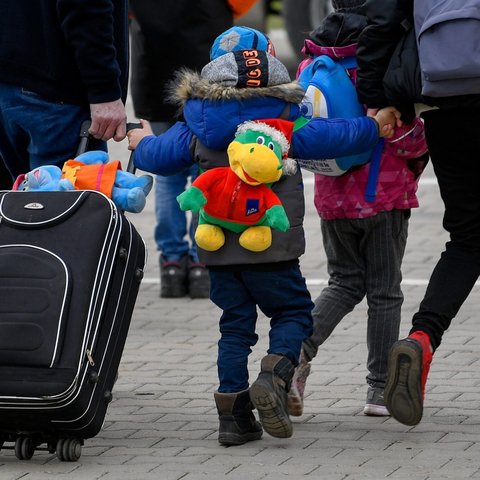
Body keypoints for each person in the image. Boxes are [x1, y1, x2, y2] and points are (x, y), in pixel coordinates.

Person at [127, 26, 398, 446]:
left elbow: (157, 158)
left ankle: (233, 420)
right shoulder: (286, 120)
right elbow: (337, 135)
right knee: (293, 314)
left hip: (218, 251)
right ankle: (274, 375)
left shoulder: (196, 121)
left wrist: (139, 139)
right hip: (273, 247)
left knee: (234, 327)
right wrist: (373, 125)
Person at [286, 0, 429, 419]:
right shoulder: (384, 57)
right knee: (384, 291)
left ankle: (292, 357)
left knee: (344, 281)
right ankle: (380, 390)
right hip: (382, 196)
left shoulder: (311, 59)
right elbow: (407, 139)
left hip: (332, 196)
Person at [355, 0, 480, 426]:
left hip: (447, 101)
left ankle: (423, 337)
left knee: (468, 238)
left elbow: (383, 22)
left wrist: (379, 100)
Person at [129, 2, 257, 299]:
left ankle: (172, 263)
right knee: (208, 170)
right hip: (209, 82)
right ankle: (203, 257)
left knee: (168, 177)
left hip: (156, 77)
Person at [0, 0, 129, 186]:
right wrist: (104, 91)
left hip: (13, 81)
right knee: (67, 207)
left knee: (20, 205)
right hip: (55, 94)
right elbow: (85, 9)